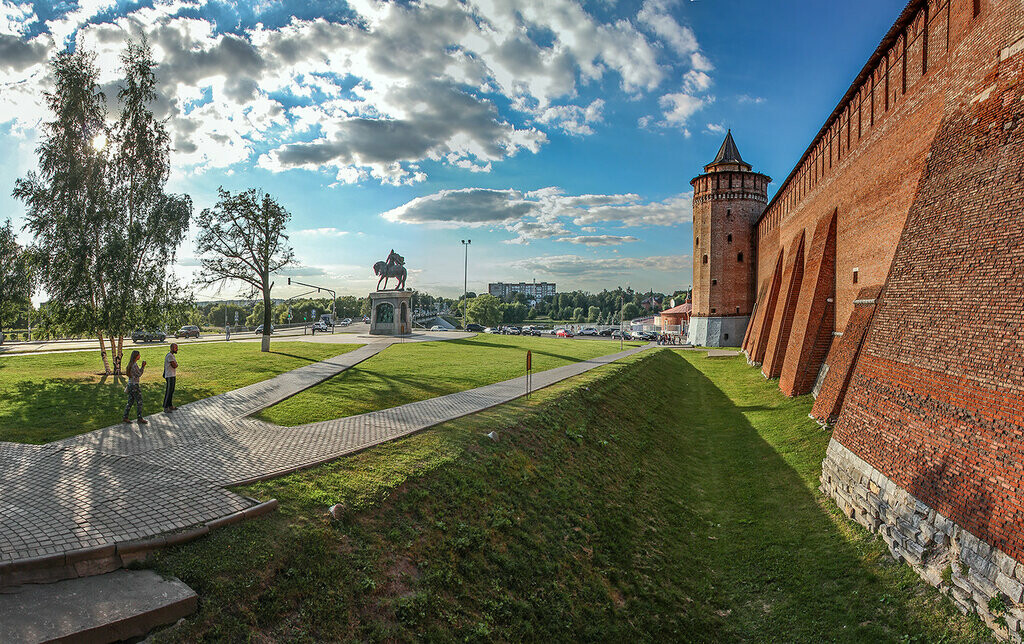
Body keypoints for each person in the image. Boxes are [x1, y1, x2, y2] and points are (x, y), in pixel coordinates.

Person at [122, 350, 147, 424]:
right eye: (139, 355)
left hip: (130, 384)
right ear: (136, 356)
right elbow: (139, 374)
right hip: (134, 385)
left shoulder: (131, 364)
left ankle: (125, 417)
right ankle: (139, 418)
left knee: (130, 401)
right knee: (139, 401)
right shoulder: (134, 365)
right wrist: (143, 366)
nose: (140, 356)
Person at [163, 343, 179, 412]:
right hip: (169, 376)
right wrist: (176, 364)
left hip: (172, 375)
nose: (177, 349)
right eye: (175, 348)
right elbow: (174, 365)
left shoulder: (172, 356)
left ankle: (170, 405)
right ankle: (165, 407)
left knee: (171, 391)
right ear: (171, 348)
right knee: (169, 391)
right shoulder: (169, 356)